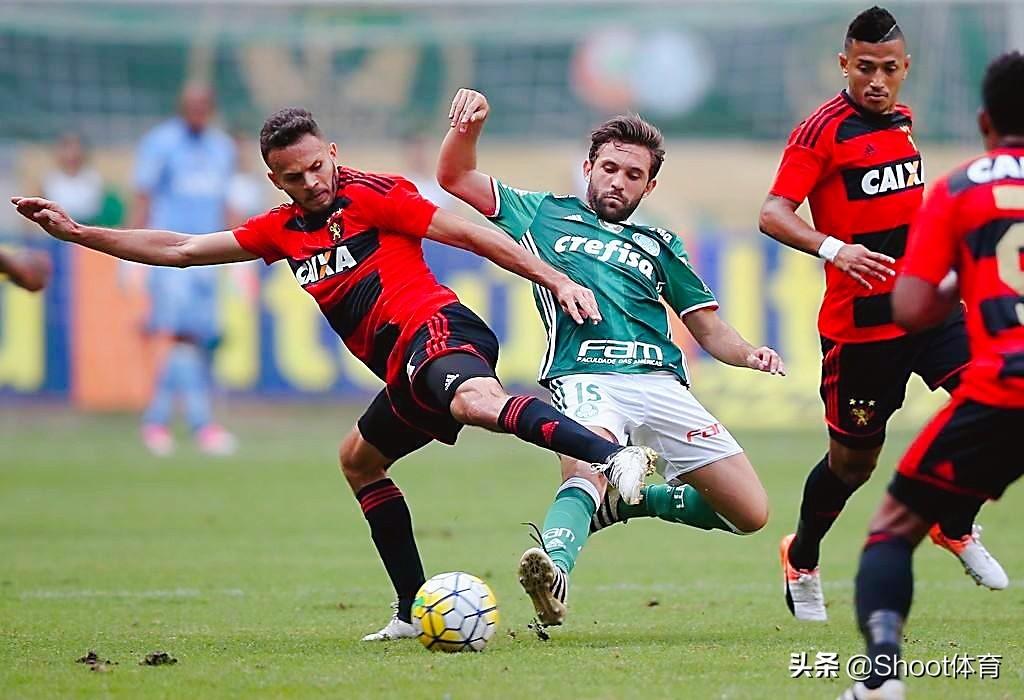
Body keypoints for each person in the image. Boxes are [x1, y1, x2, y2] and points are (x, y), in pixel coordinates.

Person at [11, 106, 657, 642]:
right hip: (405, 369)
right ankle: (411, 610)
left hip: (438, 330)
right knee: (359, 462)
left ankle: (612, 456)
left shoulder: (374, 194)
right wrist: (80, 233)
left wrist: (554, 278)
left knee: (474, 401)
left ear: (332, 153)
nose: (313, 182)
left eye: (318, 166)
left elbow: (469, 236)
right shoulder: (281, 229)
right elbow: (181, 248)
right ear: (275, 178)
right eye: (295, 176)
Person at [438, 88, 782, 626]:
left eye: (632, 174)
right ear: (589, 168)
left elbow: (709, 329)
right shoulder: (542, 214)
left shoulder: (660, 243)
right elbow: (455, 177)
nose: (618, 181)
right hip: (585, 376)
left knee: (750, 513)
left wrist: (749, 353)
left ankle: (633, 502)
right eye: (609, 168)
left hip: (662, 384)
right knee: (585, 467)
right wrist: (468, 129)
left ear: (649, 185)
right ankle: (554, 572)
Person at [758, 6, 1007, 622]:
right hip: (862, 328)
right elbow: (773, 212)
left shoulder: (904, 121)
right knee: (853, 465)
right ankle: (802, 557)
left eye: (888, 69)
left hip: (927, 308)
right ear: (844, 64)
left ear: (905, 68)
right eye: (864, 67)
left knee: (1002, 406)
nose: (876, 80)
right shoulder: (820, 133)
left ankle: (954, 522)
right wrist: (834, 248)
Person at [841, 51, 1024, 700]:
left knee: (893, 527)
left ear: (984, 122)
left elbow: (913, 309)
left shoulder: (959, 189)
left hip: (1004, 389)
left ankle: (881, 679)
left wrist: (958, 280)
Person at [133, 82, 238, 457]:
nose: (198, 110)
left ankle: (156, 422)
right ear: (181, 106)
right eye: (191, 104)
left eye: (203, 104)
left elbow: (226, 201)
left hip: (209, 253)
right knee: (182, 337)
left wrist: (239, 254)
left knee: (200, 342)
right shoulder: (160, 143)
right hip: (171, 254)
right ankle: (199, 425)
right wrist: (131, 254)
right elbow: (143, 196)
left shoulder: (222, 148)